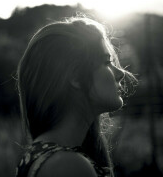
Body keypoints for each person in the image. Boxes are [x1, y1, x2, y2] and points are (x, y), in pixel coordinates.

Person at [15, 16, 137, 177]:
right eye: (107, 62)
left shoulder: (41, 156)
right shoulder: (67, 167)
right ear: (76, 77)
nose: (121, 73)